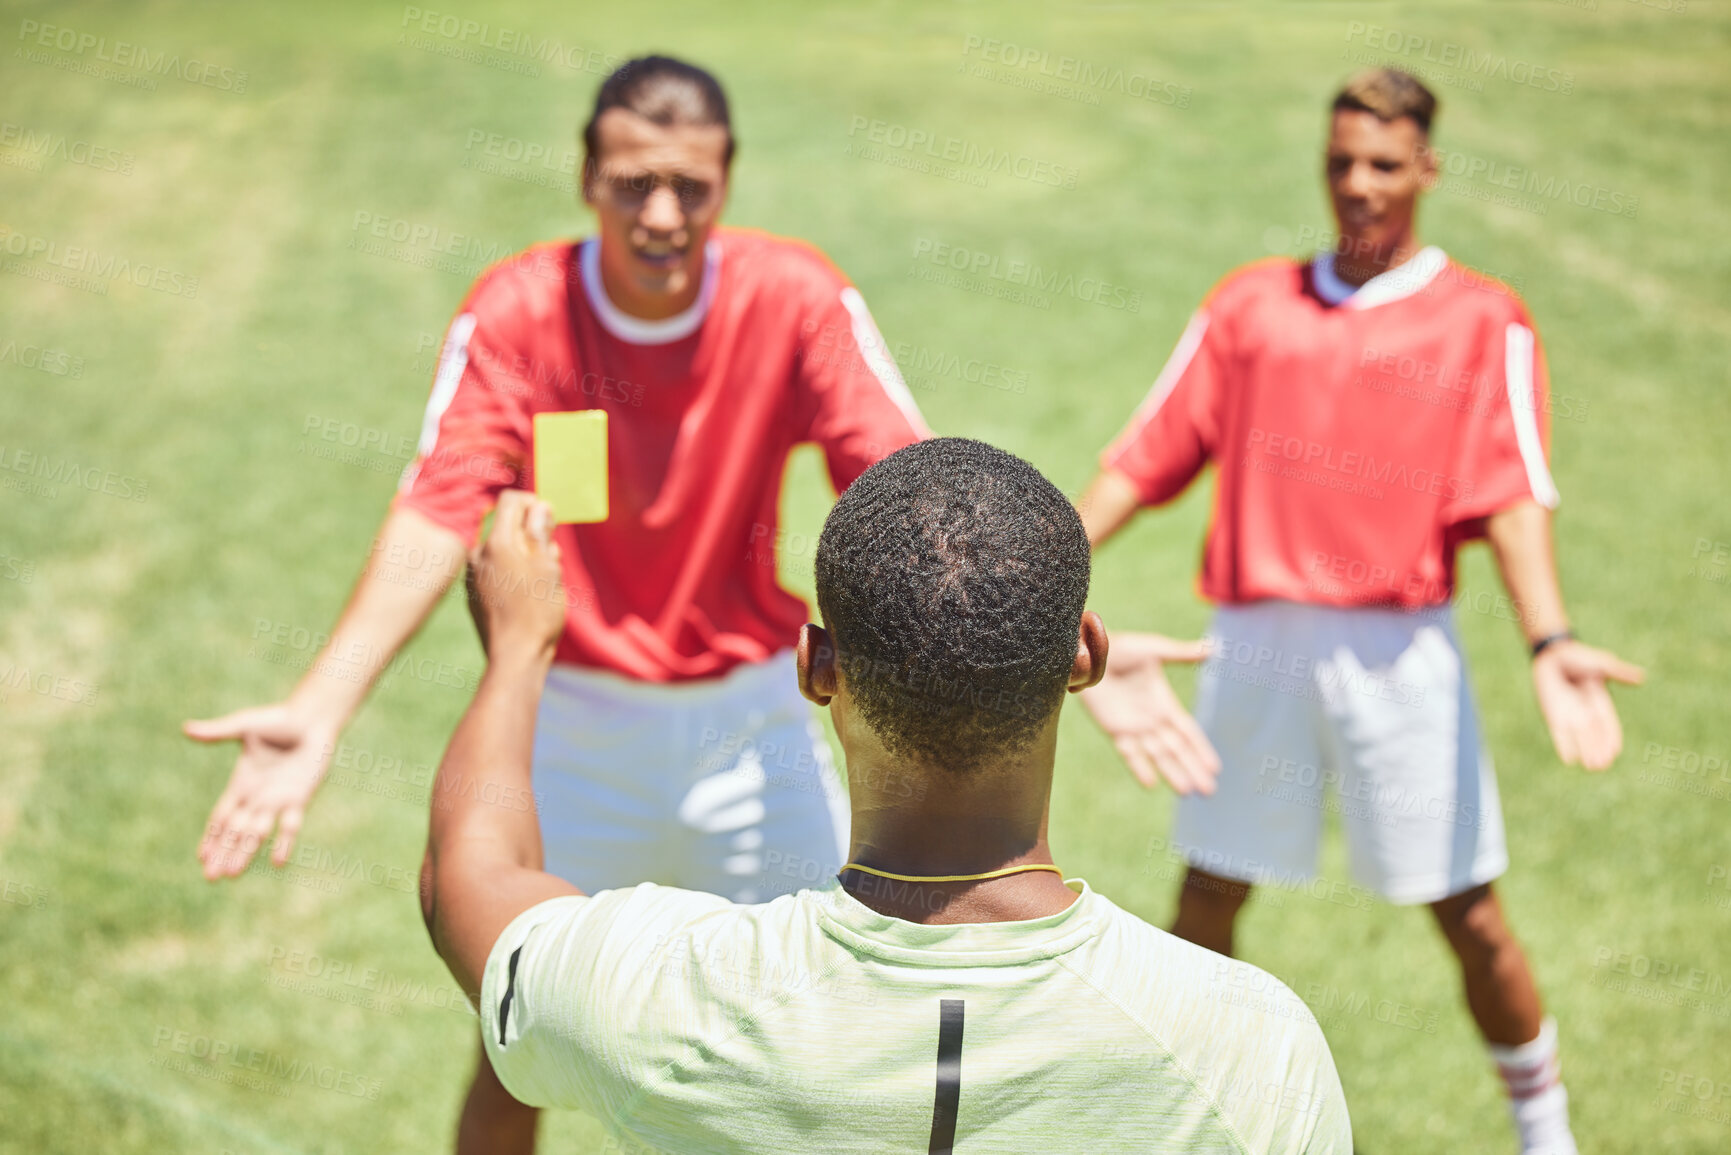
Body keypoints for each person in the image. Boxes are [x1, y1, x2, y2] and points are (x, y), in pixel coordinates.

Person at [183, 55, 928, 1153]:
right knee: (520, 1041)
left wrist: (1026, 638)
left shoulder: (796, 294)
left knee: (840, 1030)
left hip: (754, 720)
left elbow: (910, 487)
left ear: (729, 183)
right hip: (575, 724)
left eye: (691, 186)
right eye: (633, 183)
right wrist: (321, 707)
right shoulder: (521, 309)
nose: (662, 214)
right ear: (587, 176)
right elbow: (438, 510)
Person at [424, 449, 1352, 1153]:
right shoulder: (1253, 1043)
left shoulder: (669, 999)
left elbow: (471, 878)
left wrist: (518, 648)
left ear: (816, 668)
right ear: (1086, 656)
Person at [1075, 69, 1644, 1155]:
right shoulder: (1249, 305)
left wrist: (1551, 639)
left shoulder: (1484, 320)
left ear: (1427, 168)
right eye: (1341, 163)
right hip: (1253, 645)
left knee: (1467, 913)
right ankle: (1173, 1115)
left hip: (1399, 656)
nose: (1359, 186)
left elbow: (1512, 494)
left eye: (1384, 165)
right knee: (1207, 896)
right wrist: (1033, 561)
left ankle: (1545, 1129)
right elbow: (1143, 459)